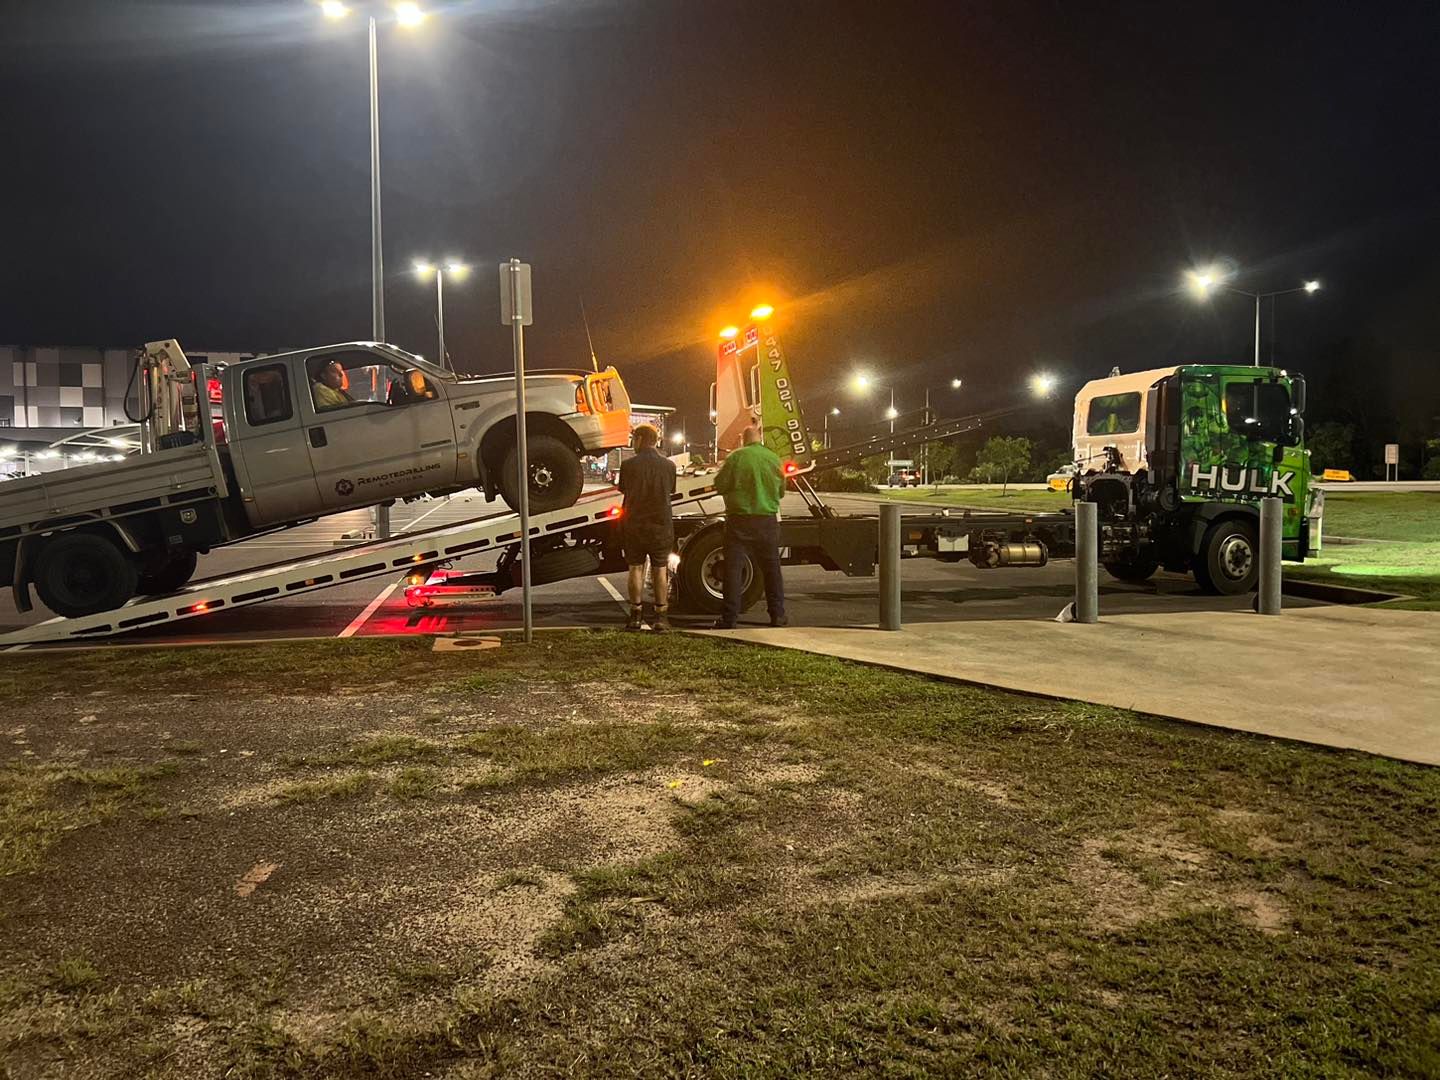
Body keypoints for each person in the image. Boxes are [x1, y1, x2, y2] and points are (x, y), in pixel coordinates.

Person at [712, 425, 787, 628]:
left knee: (733, 569)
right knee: (772, 569)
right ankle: (777, 615)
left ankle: (730, 618)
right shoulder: (773, 458)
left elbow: (719, 484)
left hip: (740, 520)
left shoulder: (736, 457)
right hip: (767, 520)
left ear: (742, 439)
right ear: (760, 438)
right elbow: (781, 492)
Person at [617, 423, 677, 631]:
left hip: (635, 525)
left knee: (636, 568)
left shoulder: (628, 465)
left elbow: (623, 489)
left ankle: (635, 615)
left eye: (634, 439)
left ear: (641, 439)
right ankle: (661, 617)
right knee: (660, 569)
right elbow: (670, 489)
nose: (633, 443)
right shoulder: (669, 466)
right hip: (661, 525)